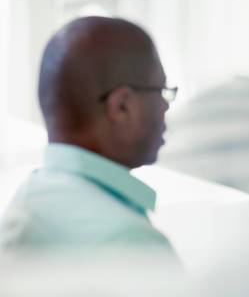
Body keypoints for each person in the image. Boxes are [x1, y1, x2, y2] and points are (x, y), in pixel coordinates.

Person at [0, 16, 177, 254]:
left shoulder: (26, 204)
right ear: (122, 106)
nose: (165, 107)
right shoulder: (130, 243)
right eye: (161, 91)